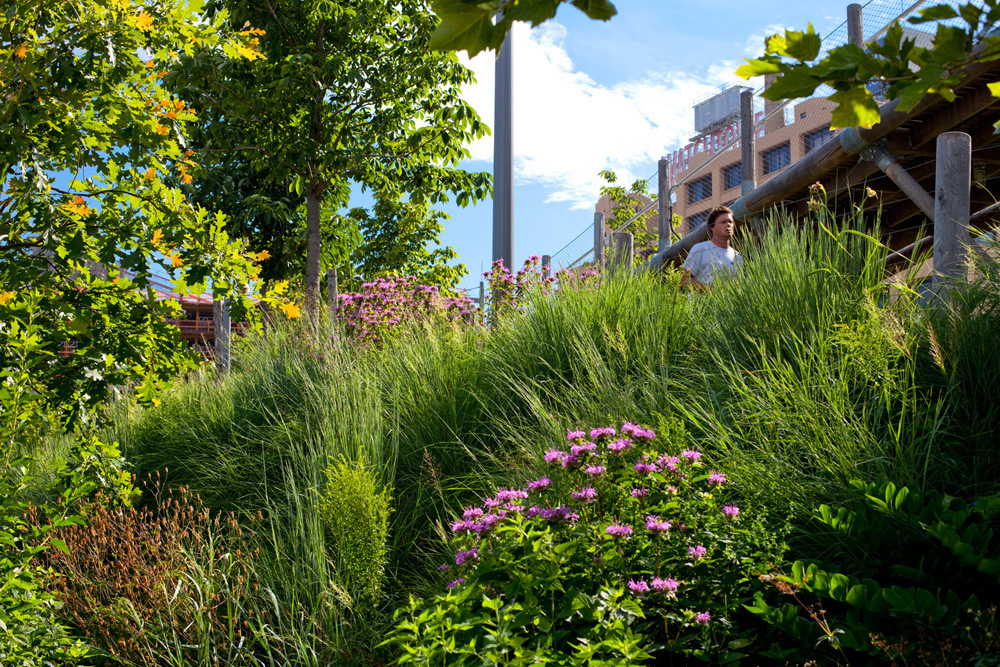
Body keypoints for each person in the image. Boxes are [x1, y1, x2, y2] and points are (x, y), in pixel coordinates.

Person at [680, 206, 741, 291]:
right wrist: (712, 290)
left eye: (730, 222)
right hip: (702, 303)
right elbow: (682, 281)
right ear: (711, 227)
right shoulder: (700, 248)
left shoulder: (738, 256)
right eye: (723, 222)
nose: (728, 225)